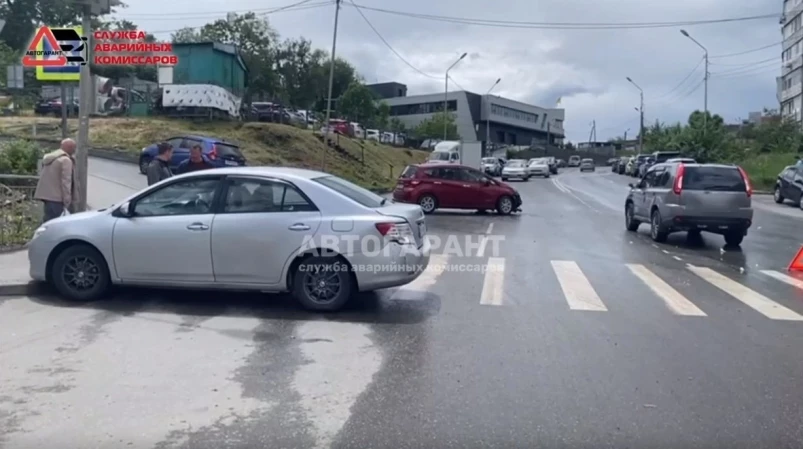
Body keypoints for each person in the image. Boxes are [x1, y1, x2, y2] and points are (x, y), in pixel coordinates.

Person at [34, 138, 80, 222]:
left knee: (48, 221)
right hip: (57, 198)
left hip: (47, 197)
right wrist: (67, 200)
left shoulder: (52, 158)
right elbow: (66, 181)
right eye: (74, 148)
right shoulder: (66, 160)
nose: (74, 150)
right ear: (70, 148)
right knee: (56, 223)